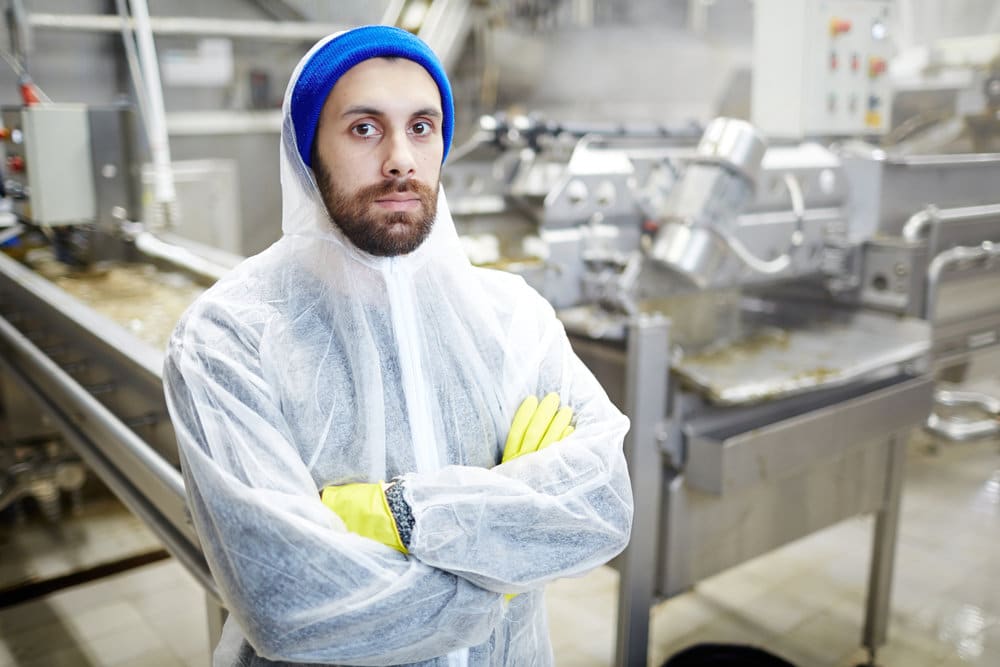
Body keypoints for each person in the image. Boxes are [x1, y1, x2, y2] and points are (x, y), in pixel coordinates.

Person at [163, 25, 633, 666]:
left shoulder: (513, 318)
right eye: (364, 128)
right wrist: (501, 564)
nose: (400, 159)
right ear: (308, 151)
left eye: (422, 126)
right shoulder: (228, 338)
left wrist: (398, 514)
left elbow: (602, 505)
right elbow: (286, 602)